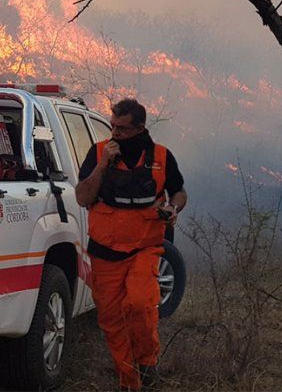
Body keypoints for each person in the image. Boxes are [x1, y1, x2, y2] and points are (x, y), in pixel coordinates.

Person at [76, 98, 187, 390]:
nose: (115, 133)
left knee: (140, 305)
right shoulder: (98, 152)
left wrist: (173, 209)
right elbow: (83, 197)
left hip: (144, 248)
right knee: (112, 319)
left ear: (139, 128)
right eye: (112, 126)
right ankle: (129, 380)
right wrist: (103, 164)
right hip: (104, 253)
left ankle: (147, 361)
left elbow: (179, 192)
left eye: (122, 129)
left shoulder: (162, 156)